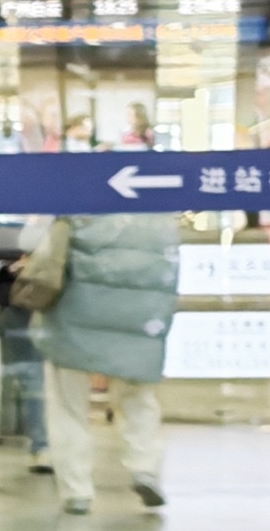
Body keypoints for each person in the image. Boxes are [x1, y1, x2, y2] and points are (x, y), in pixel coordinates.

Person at [31, 209, 180, 513]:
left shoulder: (75, 209)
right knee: (138, 397)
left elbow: (39, 252)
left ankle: (76, 490)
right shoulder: (161, 217)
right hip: (138, 318)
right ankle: (144, 468)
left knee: (67, 403)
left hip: (76, 312)